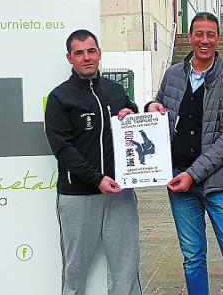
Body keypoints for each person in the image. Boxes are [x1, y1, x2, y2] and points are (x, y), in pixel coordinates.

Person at [146, 12, 223, 295]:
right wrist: (150, 107)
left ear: (218, 39)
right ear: (190, 37)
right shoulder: (173, 74)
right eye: (198, 34)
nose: (204, 40)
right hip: (178, 180)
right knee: (193, 259)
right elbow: (161, 104)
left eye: (210, 35)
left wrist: (192, 174)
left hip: (220, 186)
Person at [44, 29, 141, 295]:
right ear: (70, 58)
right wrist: (97, 178)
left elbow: (134, 119)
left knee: (126, 269)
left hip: (120, 193)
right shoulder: (59, 98)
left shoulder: (116, 91)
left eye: (91, 51)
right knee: (75, 272)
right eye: (79, 53)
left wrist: (131, 112)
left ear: (99, 53)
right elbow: (63, 149)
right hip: (78, 195)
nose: (87, 57)